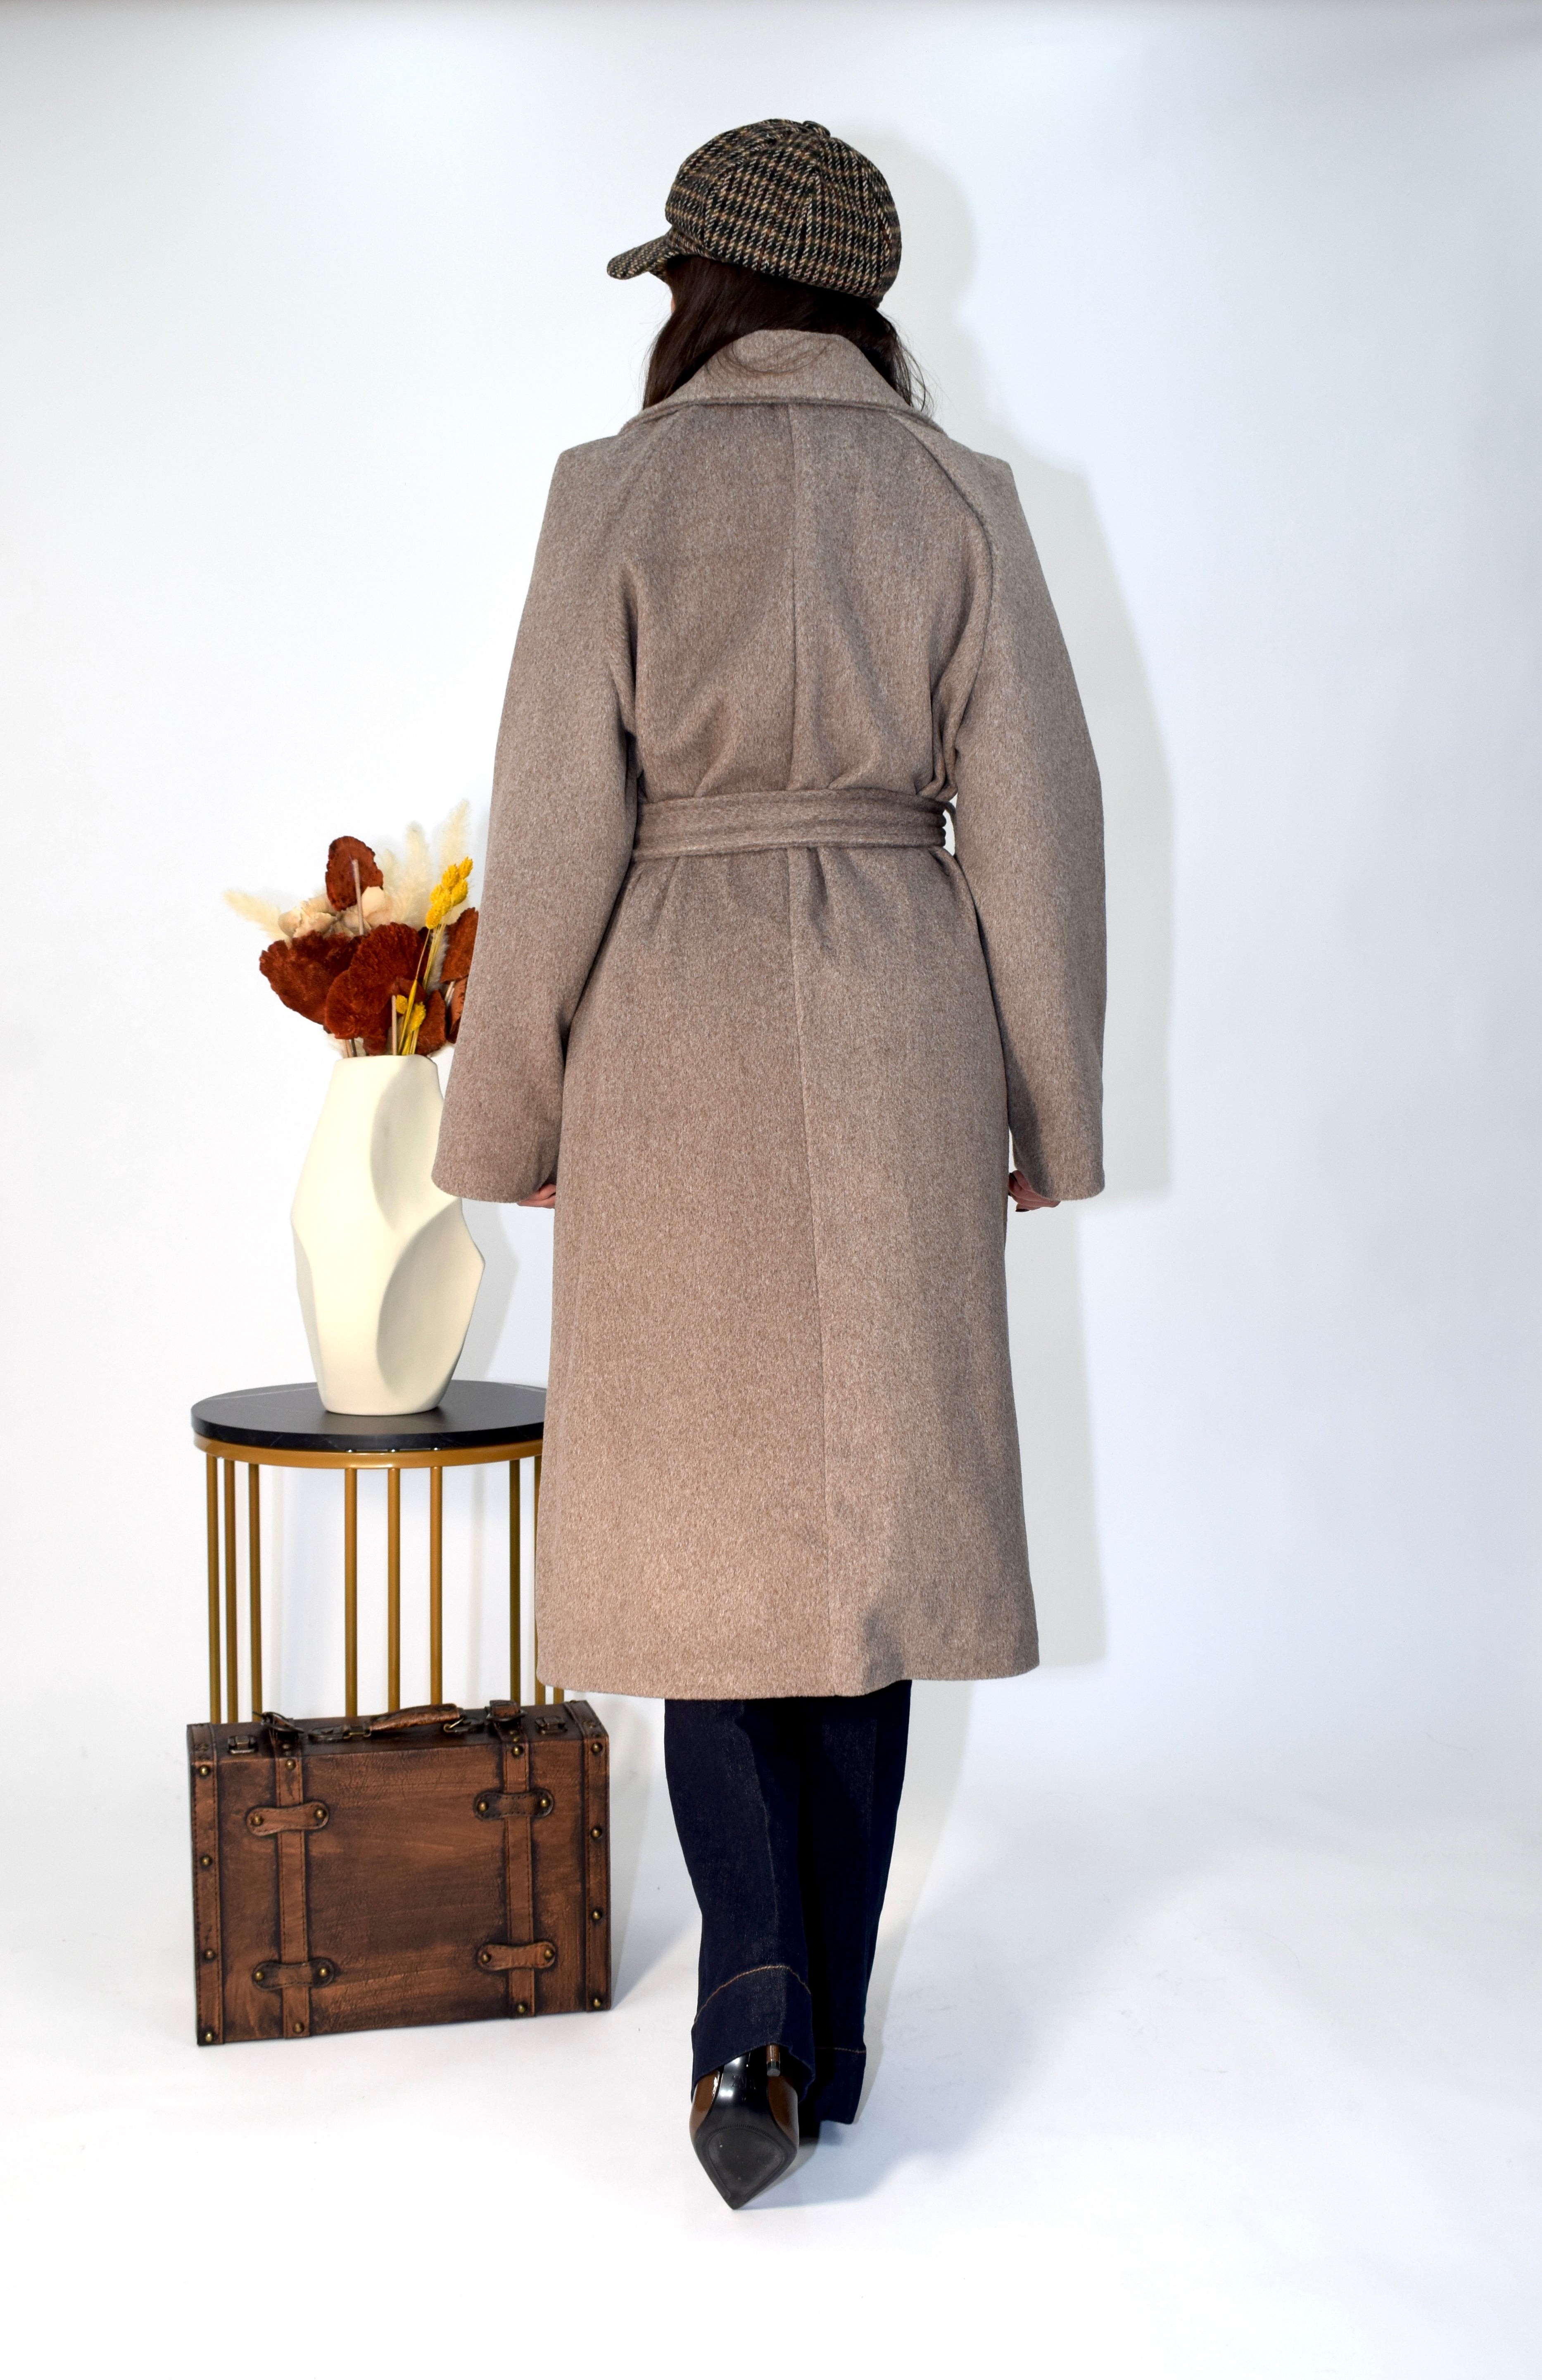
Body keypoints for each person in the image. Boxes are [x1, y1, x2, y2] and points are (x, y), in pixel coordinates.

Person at [433, 119, 1105, 2209]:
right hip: (901, 1017)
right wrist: (1043, 1105)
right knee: (864, 1532)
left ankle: (753, 2007)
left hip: (678, 1025)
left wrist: (514, 1105)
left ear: (703, 291)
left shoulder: (614, 491)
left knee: (708, 1534)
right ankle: (837, 2025)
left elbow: (554, 823)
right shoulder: (959, 498)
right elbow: (1041, 825)